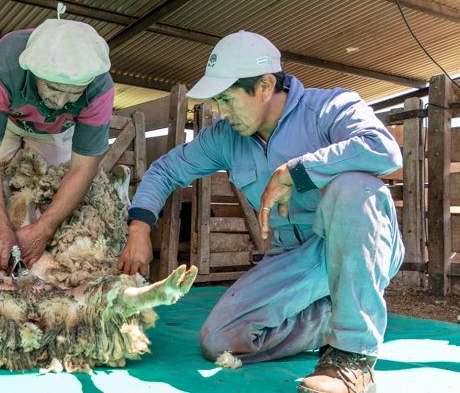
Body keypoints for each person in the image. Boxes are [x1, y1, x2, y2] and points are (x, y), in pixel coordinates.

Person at [118, 30, 404, 393]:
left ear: (266, 86)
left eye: (227, 99)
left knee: (355, 187)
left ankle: (352, 359)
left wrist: (296, 172)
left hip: (354, 242)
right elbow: (165, 170)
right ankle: (336, 313)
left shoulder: (329, 107)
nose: (220, 111)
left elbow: (383, 149)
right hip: (291, 253)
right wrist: (139, 227)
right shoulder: (225, 137)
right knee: (220, 340)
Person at [0, 18, 114, 272]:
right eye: (52, 87)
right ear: (33, 70)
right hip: (7, 121)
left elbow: (82, 169)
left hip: (57, 129)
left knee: (48, 189)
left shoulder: (100, 89)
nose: (60, 101)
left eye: (73, 92)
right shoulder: (2, 65)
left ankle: (34, 258)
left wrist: (44, 229)